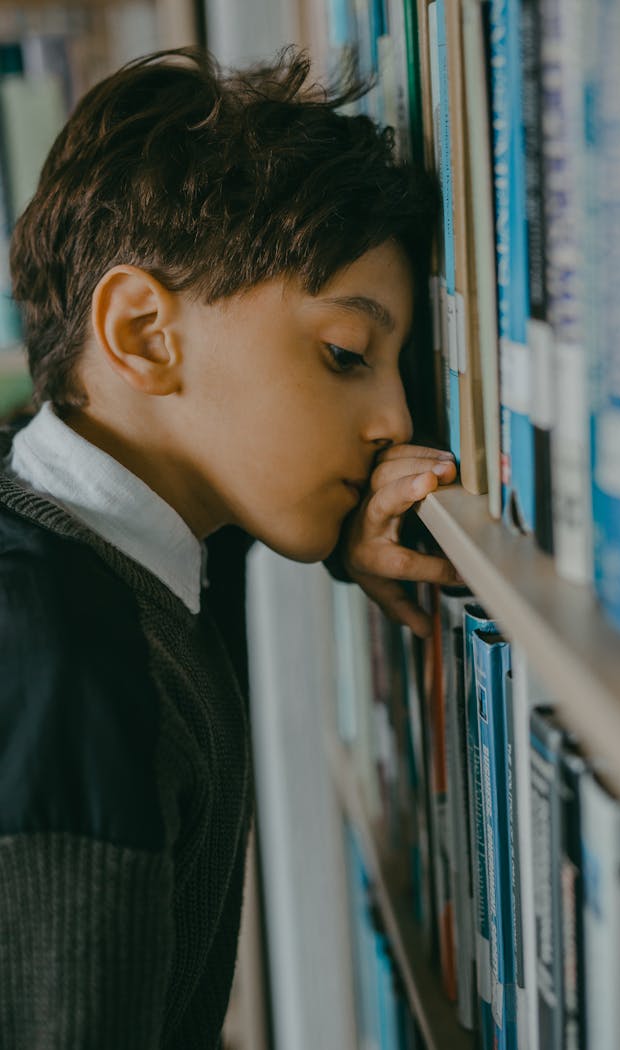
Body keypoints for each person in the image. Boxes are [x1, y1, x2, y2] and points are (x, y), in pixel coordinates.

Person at [0, 46, 462, 1048]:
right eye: (344, 354)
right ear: (144, 333)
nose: (394, 418)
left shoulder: (59, 541)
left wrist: (337, 531)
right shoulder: (72, 669)